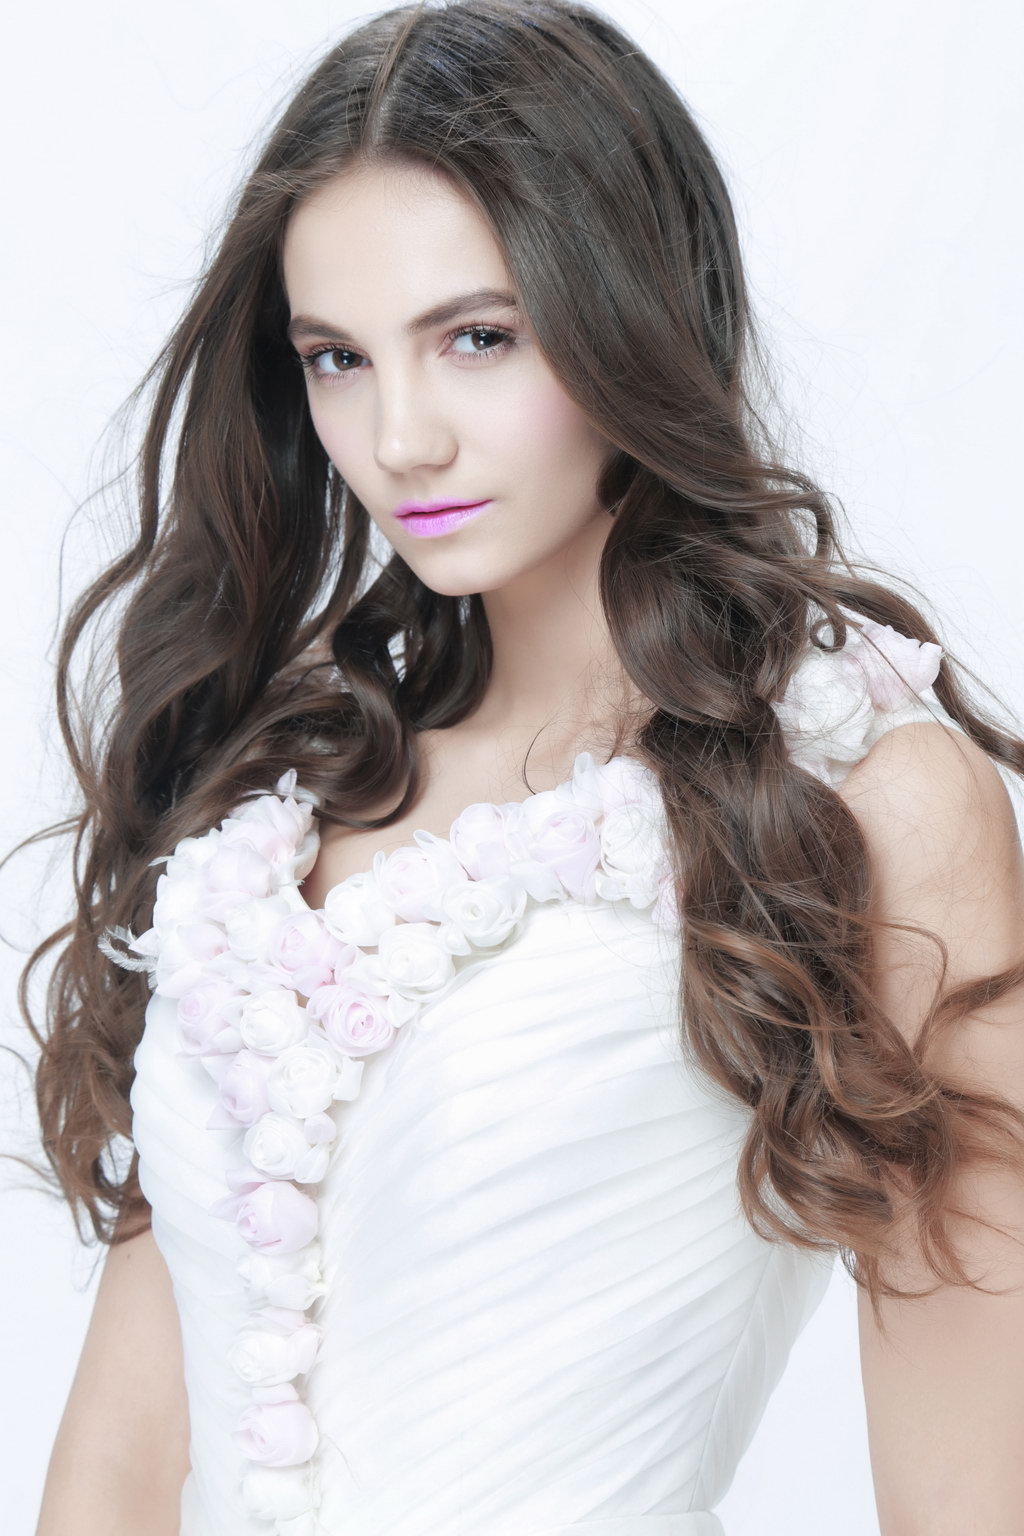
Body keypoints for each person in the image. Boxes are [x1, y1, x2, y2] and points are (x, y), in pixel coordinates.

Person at [20, 0, 1024, 1532]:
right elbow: (113, 1461)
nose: (399, 438)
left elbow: (972, 1497)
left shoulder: (861, 801)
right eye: (336, 358)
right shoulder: (270, 798)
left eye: (477, 338)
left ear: (637, 314)